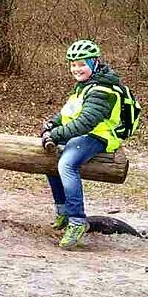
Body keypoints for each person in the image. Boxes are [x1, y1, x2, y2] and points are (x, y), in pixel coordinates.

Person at [40, 39, 124, 250]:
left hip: (99, 136)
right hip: (83, 133)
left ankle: (77, 220)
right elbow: (69, 113)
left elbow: (86, 122)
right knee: (49, 159)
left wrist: (55, 134)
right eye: (73, 64)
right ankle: (63, 212)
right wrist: (52, 123)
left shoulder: (103, 90)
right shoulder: (84, 86)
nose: (76, 69)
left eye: (81, 64)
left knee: (66, 163)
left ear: (94, 62)